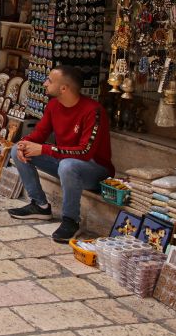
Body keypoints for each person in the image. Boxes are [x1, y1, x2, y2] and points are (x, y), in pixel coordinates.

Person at [8, 65, 114, 242]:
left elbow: (84, 152)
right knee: (15, 149)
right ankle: (40, 205)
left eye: (49, 80)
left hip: (94, 170)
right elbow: (40, 133)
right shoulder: (53, 105)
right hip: (65, 160)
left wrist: (43, 149)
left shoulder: (94, 111)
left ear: (64, 88)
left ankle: (70, 220)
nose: (44, 83)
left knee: (68, 165)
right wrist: (24, 143)